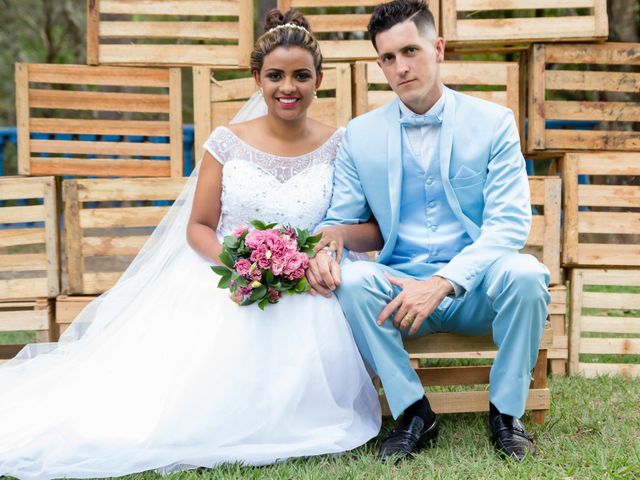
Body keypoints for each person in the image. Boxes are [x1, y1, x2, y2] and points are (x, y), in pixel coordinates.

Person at [0, 10, 382, 479]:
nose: (289, 87)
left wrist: (325, 245)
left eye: (301, 75)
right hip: (226, 277)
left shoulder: (339, 146)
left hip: (309, 283)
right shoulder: (226, 142)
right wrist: (247, 264)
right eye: (276, 75)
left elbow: (370, 229)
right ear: (256, 79)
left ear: (318, 79)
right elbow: (199, 226)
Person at [307, 0, 550, 463]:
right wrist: (327, 248)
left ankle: (505, 413)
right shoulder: (359, 135)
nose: (401, 67)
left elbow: (510, 224)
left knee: (527, 275)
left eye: (410, 51)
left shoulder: (493, 122)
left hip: (478, 288)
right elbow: (337, 220)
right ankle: (414, 412)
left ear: (437, 48)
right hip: (399, 293)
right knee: (353, 281)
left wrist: (442, 283)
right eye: (388, 58)